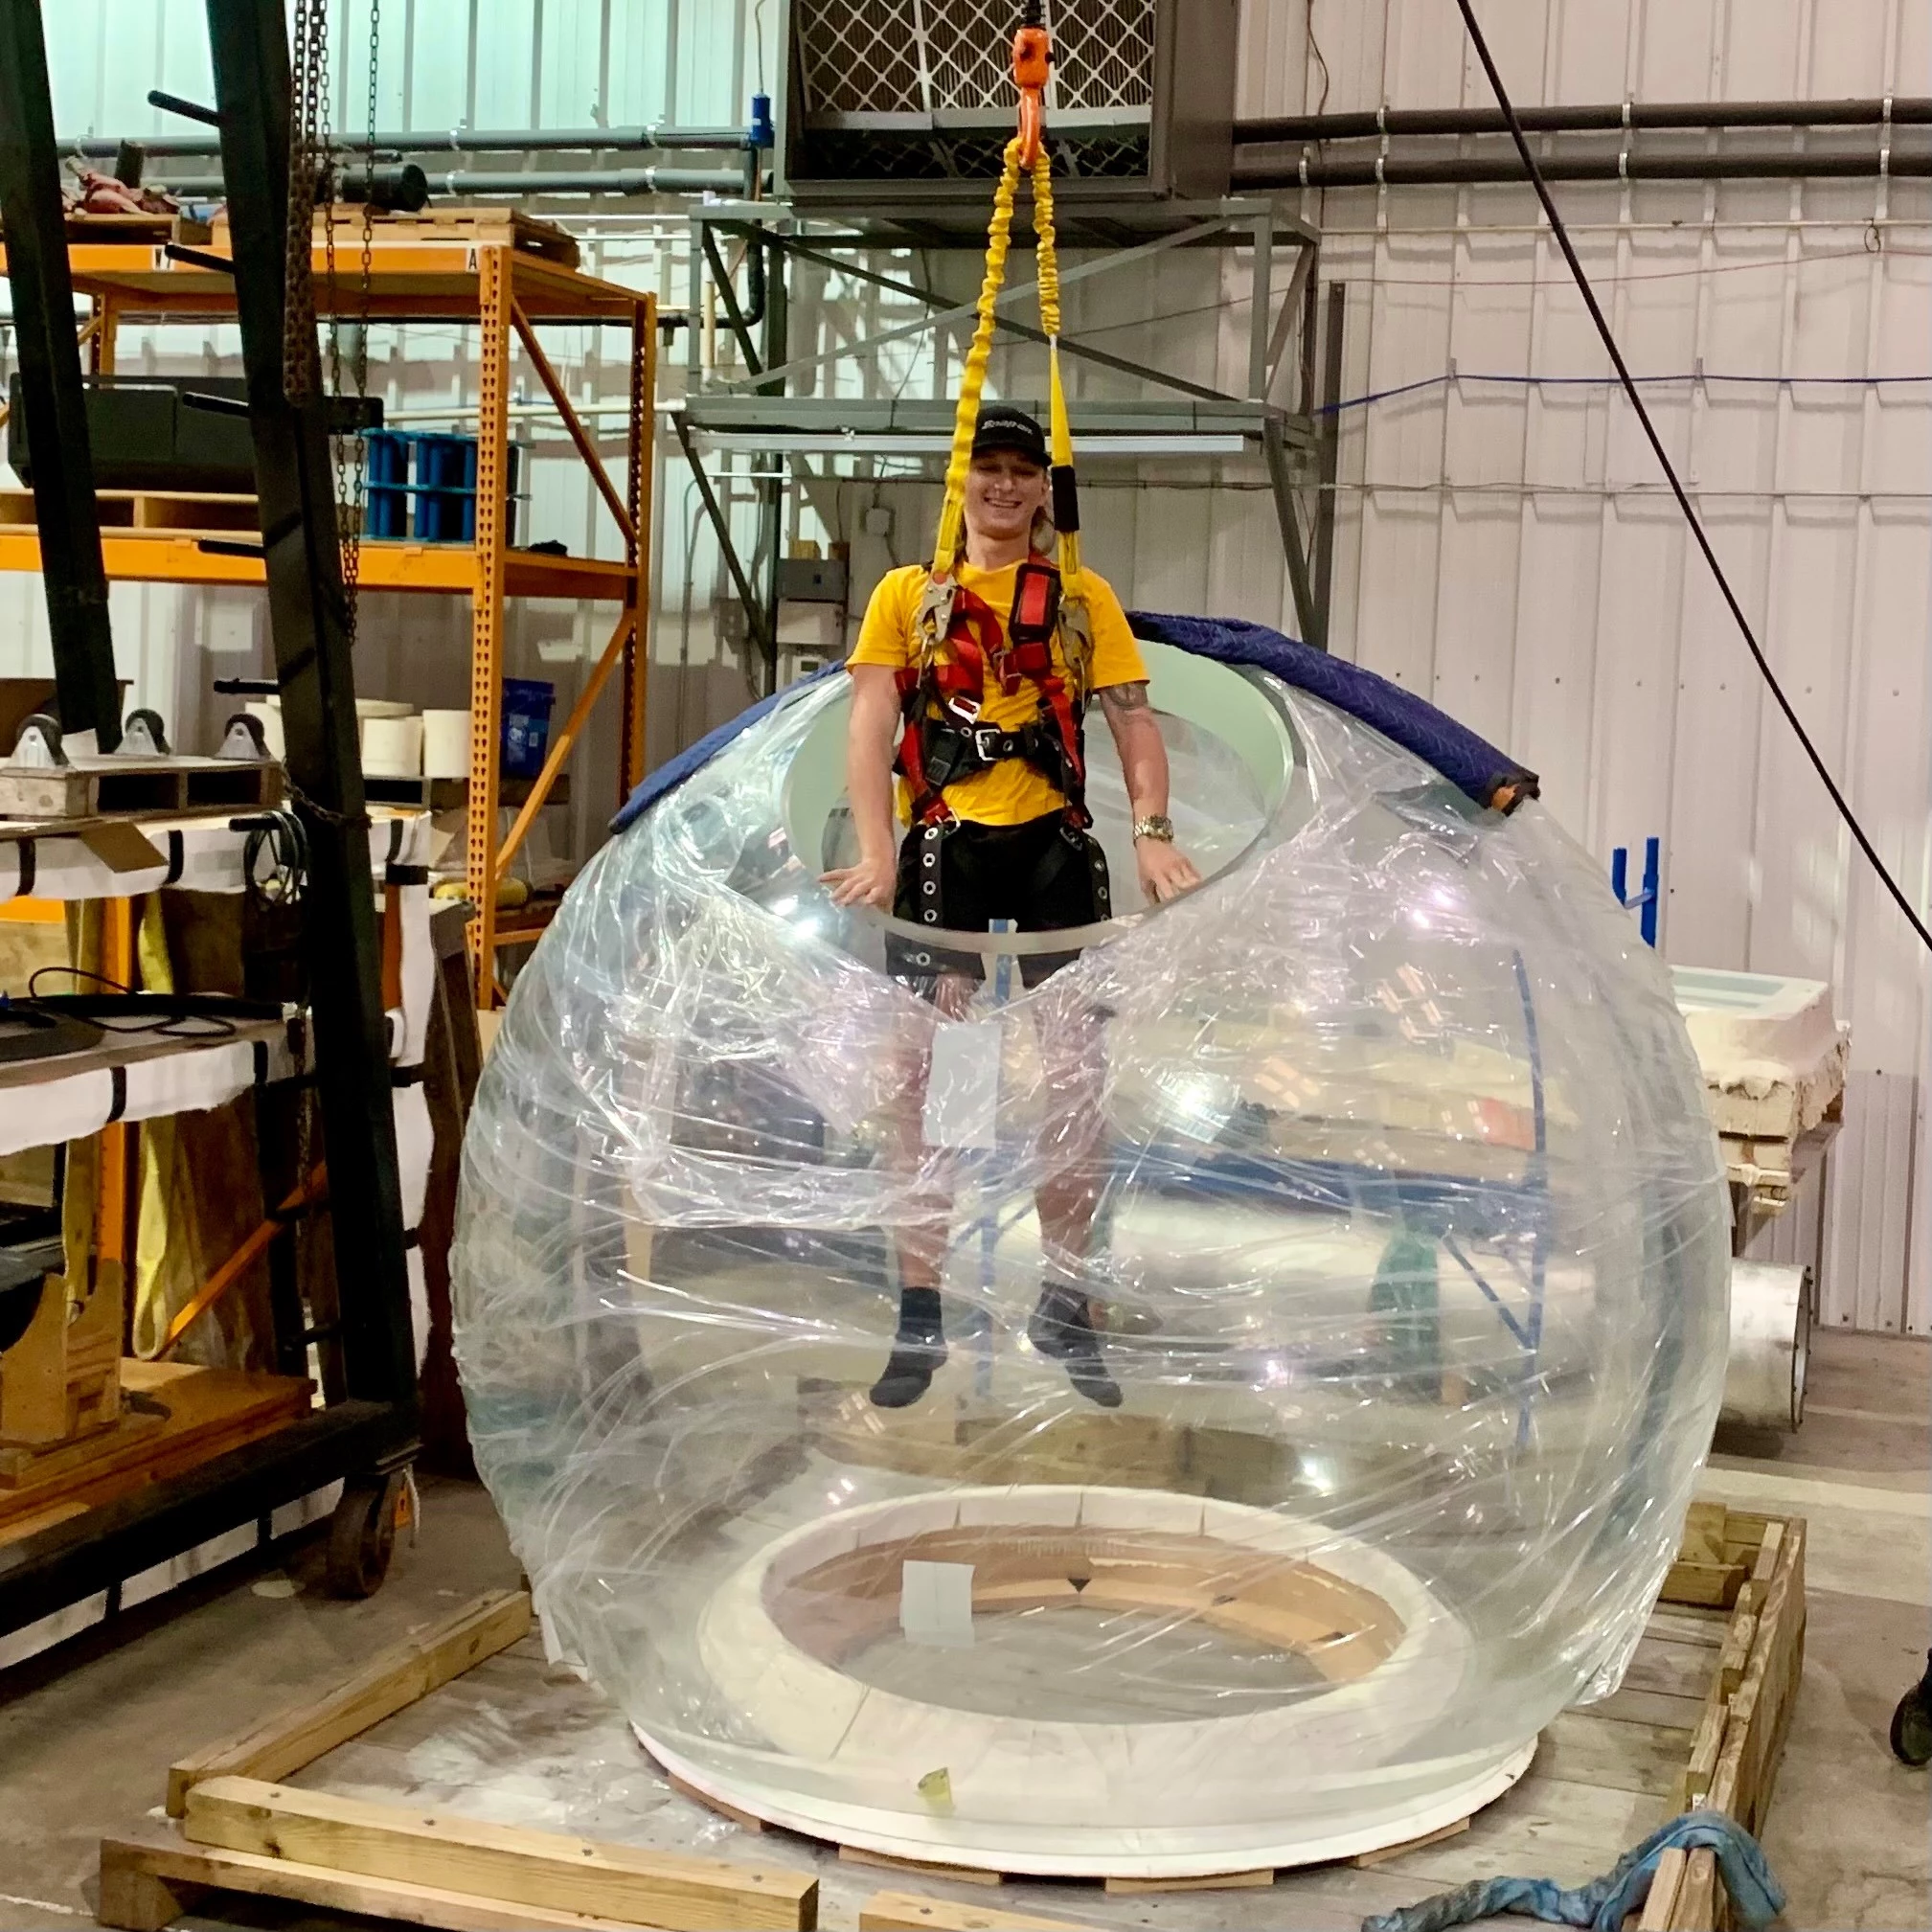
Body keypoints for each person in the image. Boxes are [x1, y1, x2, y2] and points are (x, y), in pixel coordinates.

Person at [823, 404, 1201, 1411]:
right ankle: (920, 1313)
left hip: (1053, 855)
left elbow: (1133, 723)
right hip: (946, 852)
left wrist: (1152, 833)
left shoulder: (1080, 596)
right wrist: (876, 849)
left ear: (1043, 489)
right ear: (961, 483)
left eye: (1020, 470)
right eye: (985, 466)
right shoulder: (910, 596)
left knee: (1075, 1082)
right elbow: (868, 721)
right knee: (936, 1087)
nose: (1001, 484)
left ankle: (1066, 1304)